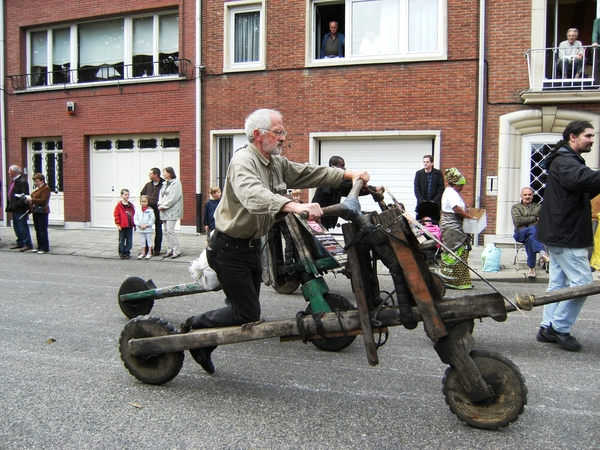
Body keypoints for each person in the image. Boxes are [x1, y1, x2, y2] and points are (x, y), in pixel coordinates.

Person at [181, 108, 370, 374]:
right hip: (228, 249)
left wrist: (348, 176)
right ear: (258, 135)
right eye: (278, 132)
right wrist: (295, 206)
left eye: (283, 132)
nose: (283, 138)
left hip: (250, 248)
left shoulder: (275, 163)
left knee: (245, 309)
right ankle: (195, 326)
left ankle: (203, 343)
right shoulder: (243, 161)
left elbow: (307, 172)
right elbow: (254, 196)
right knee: (246, 314)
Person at [535, 120, 600, 351]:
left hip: (560, 233)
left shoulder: (565, 160)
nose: (592, 140)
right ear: (573, 136)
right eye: (588, 136)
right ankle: (558, 328)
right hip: (566, 234)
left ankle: (546, 327)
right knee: (583, 284)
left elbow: (582, 186)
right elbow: (581, 179)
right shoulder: (565, 160)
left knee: (559, 285)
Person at [312, 156, 381, 230]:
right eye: (342, 165)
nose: (344, 168)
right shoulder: (330, 181)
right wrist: (373, 188)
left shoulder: (337, 185)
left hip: (325, 221)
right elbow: (347, 186)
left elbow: (353, 190)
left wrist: (372, 191)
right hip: (318, 221)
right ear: (333, 166)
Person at [439, 167, 477, 290]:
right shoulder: (451, 193)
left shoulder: (450, 192)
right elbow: (457, 209)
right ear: (456, 184)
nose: (463, 188)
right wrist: (470, 217)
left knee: (455, 251)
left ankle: (455, 279)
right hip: (452, 226)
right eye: (461, 185)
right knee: (456, 251)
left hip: (450, 224)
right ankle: (456, 281)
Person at [511, 187, 549, 278]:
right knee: (533, 229)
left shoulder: (539, 207)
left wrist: (525, 223)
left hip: (534, 235)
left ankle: (531, 268)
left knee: (530, 238)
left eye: (529, 194)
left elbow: (544, 221)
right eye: (525, 195)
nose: (527, 196)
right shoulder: (516, 207)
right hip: (520, 234)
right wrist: (535, 218)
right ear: (521, 196)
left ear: (532, 196)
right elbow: (517, 221)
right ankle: (541, 253)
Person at [5, 165, 33, 251]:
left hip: (20, 208)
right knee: (16, 226)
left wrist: (17, 204)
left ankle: (27, 243)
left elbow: (24, 196)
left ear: (14, 172)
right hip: (14, 208)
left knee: (22, 226)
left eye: (10, 171)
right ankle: (20, 242)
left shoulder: (22, 181)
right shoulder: (15, 181)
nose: (8, 172)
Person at [158, 166, 183, 259]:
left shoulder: (176, 183)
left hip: (172, 210)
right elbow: (161, 195)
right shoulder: (165, 183)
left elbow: (173, 197)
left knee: (170, 230)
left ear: (170, 173)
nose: (163, 174)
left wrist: (164, 206)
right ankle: (169, 249)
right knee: (166, 231)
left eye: (164, 172)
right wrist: (160, 204)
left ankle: (176, 250)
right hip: (164, 210)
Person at [140, 168, 164, 256]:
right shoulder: (148, 185)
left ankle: (157, 249)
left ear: (156, 175)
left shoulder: (163, 184)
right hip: (148, 210)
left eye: (150, 173)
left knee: (158, 229)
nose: (149, 175)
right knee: (146, 229)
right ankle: (146, 248)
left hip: (158, 210)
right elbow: (142, 194)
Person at [25, 173, 51, 254]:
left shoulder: (45, 188)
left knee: (42, 230)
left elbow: (44, 200)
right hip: (36, 211)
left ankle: (44, 247)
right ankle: (39, 246)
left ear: (42, 180)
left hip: (42, 211)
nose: (36, 183)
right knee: (37, 229)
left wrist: (31, 200)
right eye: (35, 181)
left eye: (37, 181)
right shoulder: (37, 189)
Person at [114, 189, 135, 260]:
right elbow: (116, 215)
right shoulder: (119, 206)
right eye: (125, 194)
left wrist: (134, 224)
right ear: (121, 195)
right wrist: (118, 224)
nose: (127, 196)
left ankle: (127, 252)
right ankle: (121, 253)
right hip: (122, 226)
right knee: (121, 240)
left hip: (129, 226)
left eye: (128, 194)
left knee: (129, 240)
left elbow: (133, 215)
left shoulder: (131, 205)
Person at [134, 195, 155, 259]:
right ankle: (143, 252)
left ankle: (149, 252)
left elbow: (152, 219)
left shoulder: (150, 211)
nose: (143, 203)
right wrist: (139, 225)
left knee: (149, 240)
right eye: (142, 201)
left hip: (147, 228)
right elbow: (135, 218)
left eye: (145, 201)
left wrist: (147, 225)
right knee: (142, 241)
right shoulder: (138, 211)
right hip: (141, 228)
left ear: (147, 202)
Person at [592, 19, 600, 86]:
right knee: (598, 66)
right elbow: (595, 32)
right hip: (599, 47)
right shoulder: (597, 21)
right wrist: (594, 41)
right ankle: (598, 84)